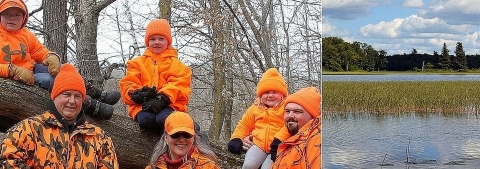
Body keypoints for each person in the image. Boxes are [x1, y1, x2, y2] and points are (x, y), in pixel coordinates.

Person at [0, 0, 120, 120]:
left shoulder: (25, 33)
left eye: (17, 15)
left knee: (66, 70)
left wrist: (50, 57)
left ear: (23, 17)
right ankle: (91, 105)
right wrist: (12, 70)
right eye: (7, 14)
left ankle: (97, 93)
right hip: (17, 76)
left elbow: (38, 51)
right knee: (51, 80)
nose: (12, 18)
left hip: (32, 68)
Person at [0, 63, 119, 169]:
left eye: (77, 96)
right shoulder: (29, 129)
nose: (72, 101)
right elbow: (6, 160)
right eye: (66, 94)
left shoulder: (99, 138)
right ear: (54, 96)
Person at [119, 19, 192, 134]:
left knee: (164, 119)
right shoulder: (136, 63)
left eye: (161, 39)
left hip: (170, 105)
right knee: (146, 120)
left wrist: (162, 98)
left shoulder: (178, 66)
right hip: (143, 105)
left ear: (168, 41)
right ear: (147, 42)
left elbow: (179, 85)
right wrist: (136, 94)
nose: (156, 42)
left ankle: (189, 128)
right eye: (152, 39)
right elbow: (128, 82)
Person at [227, 68, 289, 169]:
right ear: (260, 94)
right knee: (248, 165)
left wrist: (279, 141)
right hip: (258, 145)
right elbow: (244, 125)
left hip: (278, 147)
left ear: (282, 94)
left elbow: (288, 127)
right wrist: (236, 139)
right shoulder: (255, 107)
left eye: (275, 92)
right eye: (266, 92)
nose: (270, 95)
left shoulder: (287, 107)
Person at [145, 111, 220, 169]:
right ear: (166, 138)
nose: (181, 139)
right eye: (175, 135)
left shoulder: (208, 166)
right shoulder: (154, 166)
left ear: (193, 137)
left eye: (187, 135)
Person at [270, 87, 321, 169]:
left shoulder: (317, 143)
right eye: (287, 111)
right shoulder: (292, 135)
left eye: (297, 111)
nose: (290, 115)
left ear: (312, 115)